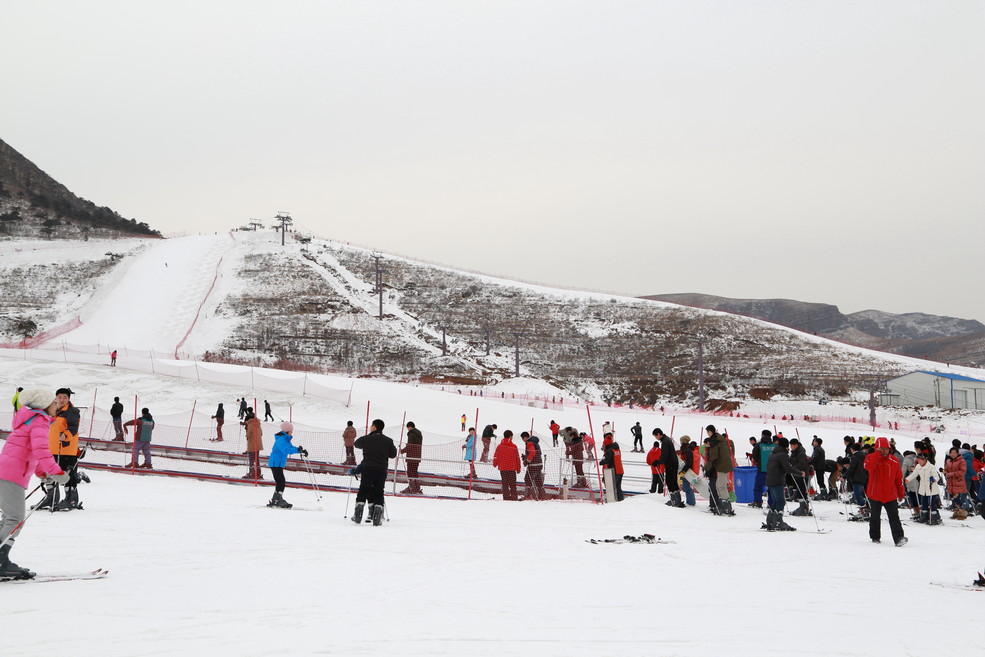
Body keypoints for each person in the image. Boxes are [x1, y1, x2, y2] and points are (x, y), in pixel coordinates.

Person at [0, 389, 69, 579]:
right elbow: (41, 450)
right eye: (54, 403)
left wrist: (43, 474)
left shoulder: (29, 420)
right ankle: (1, 562)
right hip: (12, 473)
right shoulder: (39, 420)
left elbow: (32, 452)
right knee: (14, 519)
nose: (57, 406)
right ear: (45, 404)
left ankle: (1, 559)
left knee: (9, 518)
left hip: (7, 471)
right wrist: (57, 473)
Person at [37, 387, 82, 512]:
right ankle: (51, 498)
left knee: (67, 474)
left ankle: (71, 499)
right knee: (49, 473)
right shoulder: (54, 410)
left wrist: (65, 435)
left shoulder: (72, 411)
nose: (62, 400)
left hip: (66, 449)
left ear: (69, 399)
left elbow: (73, 427)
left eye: (65, 397)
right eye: (59, 397)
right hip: (52, 448)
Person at [351, 419, 397, 525]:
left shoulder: (367, 439)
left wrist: (369, 437)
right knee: (379, 491)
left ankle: (358, 515)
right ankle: (377, 517)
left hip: (368, 469)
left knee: (363, 490)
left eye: (372, 426)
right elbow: (393, 454)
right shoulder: (388, 441)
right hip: (381, 470)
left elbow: (357, 444)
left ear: (374, 427)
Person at [864, 437, 907, 546]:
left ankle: (899, 538)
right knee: (874, 517)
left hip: (890, 495)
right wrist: (876, 454)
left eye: (886, 448)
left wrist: (901, 493)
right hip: (874, 494)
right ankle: (875, 537)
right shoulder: (870, 458)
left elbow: (898, 479)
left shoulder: (894, 461)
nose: (884, 451)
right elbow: (869, 467)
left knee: (894, 517)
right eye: (881, 449)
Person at [763, 436, 802, 531]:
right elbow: (788, 468)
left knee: (775, 501)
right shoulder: (783, 455)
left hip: (769, 480)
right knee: (780, 501)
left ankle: (770, 521)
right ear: (786, 446)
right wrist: (800, 473)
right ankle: (778, 522)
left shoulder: (772, 454)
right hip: (777, 481)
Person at [267, 422, 307, 509]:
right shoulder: (281, 439)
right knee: (281, 481)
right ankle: (277, 500)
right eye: (291, 430)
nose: (292, 432)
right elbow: (286, 450)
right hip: (275, 463)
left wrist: (300, 450)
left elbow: (290, 448)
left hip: (278, 463)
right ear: (287, 430)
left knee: (280, 481)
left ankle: (276, 499)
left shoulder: (285, 439)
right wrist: (297, 450)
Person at [705, 424, 734, 516]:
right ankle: (721, 505)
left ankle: (726, 507)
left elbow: (714, 456)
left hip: (722, 465)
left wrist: (707, 467)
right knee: (718, 485)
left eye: (707, 432)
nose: (707, 434)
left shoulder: (714, 441)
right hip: (723, 464)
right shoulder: (719, 438)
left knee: (721, 486)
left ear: (710, 431)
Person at [906, 452, 941, 525]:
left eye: (920, 460)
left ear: (925, 460)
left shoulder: (931, 467)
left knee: (931, 503)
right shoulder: (918, 466)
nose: (919, 461)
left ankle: (934, 517)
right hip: (923, 488)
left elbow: (937, 476)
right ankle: (924, 516)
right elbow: (914, 474)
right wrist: (907, 479)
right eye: (918, 460)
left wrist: (934, 479)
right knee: (923, 502)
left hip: (931, 489)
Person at [658, 428, 684, 507]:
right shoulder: (667, 440)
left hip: (670, 464)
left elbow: (665, 454)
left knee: (670, 481)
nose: (656, 438)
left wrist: (658, 462)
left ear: (658, 434)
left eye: (656, 436)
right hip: (673, 463)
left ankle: (674, 500)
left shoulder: (665, 442)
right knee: (674, 481)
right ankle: (678, 499)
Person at [492, 430, 521, 501]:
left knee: (505, 484)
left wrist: (495, 464)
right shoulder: (514, 446)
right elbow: (517, 458)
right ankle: (514, 498)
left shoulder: (499, 446)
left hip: (503, 468)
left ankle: (506, 498)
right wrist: (518, 468)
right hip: (512, 468)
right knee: (513, 485)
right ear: (510, 436)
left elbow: (496, 456)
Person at [750, 430, 774, 508]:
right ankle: (771, 503)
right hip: (773, 470)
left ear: (762, 435)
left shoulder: (758, 445)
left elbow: (755, 457)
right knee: (771, 487)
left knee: (758, 487)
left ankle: (758, 502)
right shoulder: (775, 446)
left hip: (762, 469)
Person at [788, 439, 812, 516]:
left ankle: (804, 507)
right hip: (797, 474)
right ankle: (803, 506)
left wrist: (793, 468)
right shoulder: (795, 452)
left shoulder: (801, 453)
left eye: (792, 445)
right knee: (800, 491)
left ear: (796, 445)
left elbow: (802, 464)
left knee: (802, 491)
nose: (791, 447)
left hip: (802, 474)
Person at [944, 447, 970, 513]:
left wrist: (951, 474)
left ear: (957, 453)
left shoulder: (962, 461)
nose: (953, 454)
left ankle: (962, 512)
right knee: (954, 498)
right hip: (951, 482)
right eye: (952, 453)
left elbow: (962, 471)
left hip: (958, 482)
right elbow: (946, 469)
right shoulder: (949, 461)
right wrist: (945, 472)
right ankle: (956, 511)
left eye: (954, 453)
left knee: (959, 499)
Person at [400, 421, 423, 494]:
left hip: (411, 457)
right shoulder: (419, 434)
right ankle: (416, 488)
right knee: (414, 472)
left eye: (408, 428)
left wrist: (402, 451)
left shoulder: (411, 434)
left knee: (410, 473)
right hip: (417, 457)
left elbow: (410, 446)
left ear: (409, 427)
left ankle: (411, 488)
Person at [600, 432, 624, 501]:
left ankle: (613, 500)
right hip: (620, 470)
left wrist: (601, 462)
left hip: (615, 471)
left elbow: (608, 460)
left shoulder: (610, 451)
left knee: (613, 487)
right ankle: (620, 500)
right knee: (618, 487)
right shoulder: (616, 448)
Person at [521, 432, 545, 500]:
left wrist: (527, 461)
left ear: (525, 437)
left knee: (527, 479)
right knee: (538, 479)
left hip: (533, 465)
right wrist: (526, 457)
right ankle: (542, 495)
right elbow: (535, 453)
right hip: (539, 464)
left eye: (523, 438)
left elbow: (532, 452)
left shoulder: (529, 443)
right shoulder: (535, 443)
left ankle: (529, 495)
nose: (523, 440)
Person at [243, 410, 263, 479]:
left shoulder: (250, 425)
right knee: (256, 459)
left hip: (252, 445)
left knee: (251, 459)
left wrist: (247, 436)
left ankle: (252, 473)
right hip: (258, 444)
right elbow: (261, 433)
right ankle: (258, 473)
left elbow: (248, 435)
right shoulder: (258, 424)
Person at [679, 437, 699, 506]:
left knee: (686, 487)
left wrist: (683, 470)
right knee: (687, 487)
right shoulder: (688, 449)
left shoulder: (687, 450)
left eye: (681, 441)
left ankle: (691, 502)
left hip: (688, 471)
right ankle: (690, 501)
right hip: (689, 470)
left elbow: (689, 462)